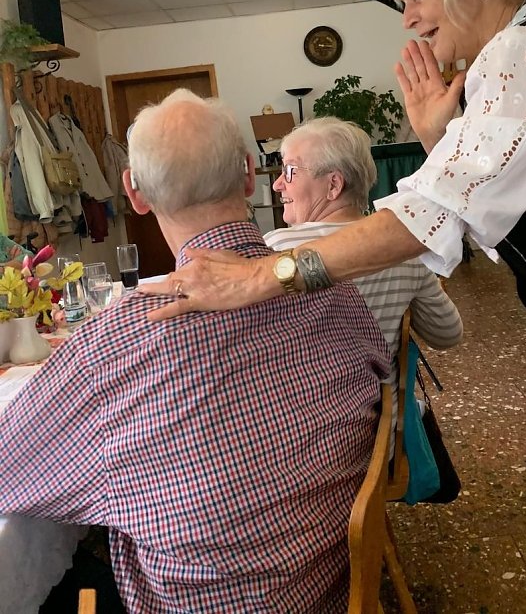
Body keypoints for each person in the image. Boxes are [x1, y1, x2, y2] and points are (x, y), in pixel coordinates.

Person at [140, 0, 526, 613]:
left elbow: (432, 214)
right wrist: (439, 136)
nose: (405, 16)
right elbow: (497, 210)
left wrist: (260, 277)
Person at [0, 89, 391, 614]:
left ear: (134, 193)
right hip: (335, 586)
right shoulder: (332, 287)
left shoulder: (116, 341)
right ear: (250, 175)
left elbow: (11, 470)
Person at [264, 115, 463, 440]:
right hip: (384, 445)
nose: (277, 183)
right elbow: (448, 333)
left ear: (333, 185)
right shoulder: (401, 248)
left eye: (289, 171)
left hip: (304, 447)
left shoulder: (276, 250)